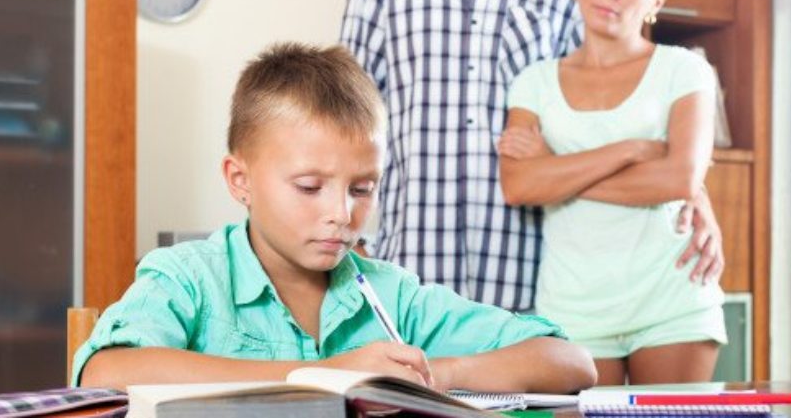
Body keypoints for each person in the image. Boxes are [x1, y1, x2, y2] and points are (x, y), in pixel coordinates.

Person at [340, 0, 723, 313]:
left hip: (525, 268)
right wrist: (345, 230)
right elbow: (347, 117)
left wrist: (696, 195)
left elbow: (600, 112)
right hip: (409, 261)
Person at [72, 42, 597, 392]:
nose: (342, 214)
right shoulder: (187, 277)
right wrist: (323, 374)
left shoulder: (393, 297)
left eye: (363, 188)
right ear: (240, 180)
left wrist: (437, 373)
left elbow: (570, 362)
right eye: (309, 187)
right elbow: (105, 372)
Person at [498, 0, 727, 385]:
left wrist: (555, 173)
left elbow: (678, 179)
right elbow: (519, 185)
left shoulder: (685, 71)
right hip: (573, 307)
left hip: (672, 299)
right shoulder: (534, 82)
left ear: (656, 0)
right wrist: (632, 149)